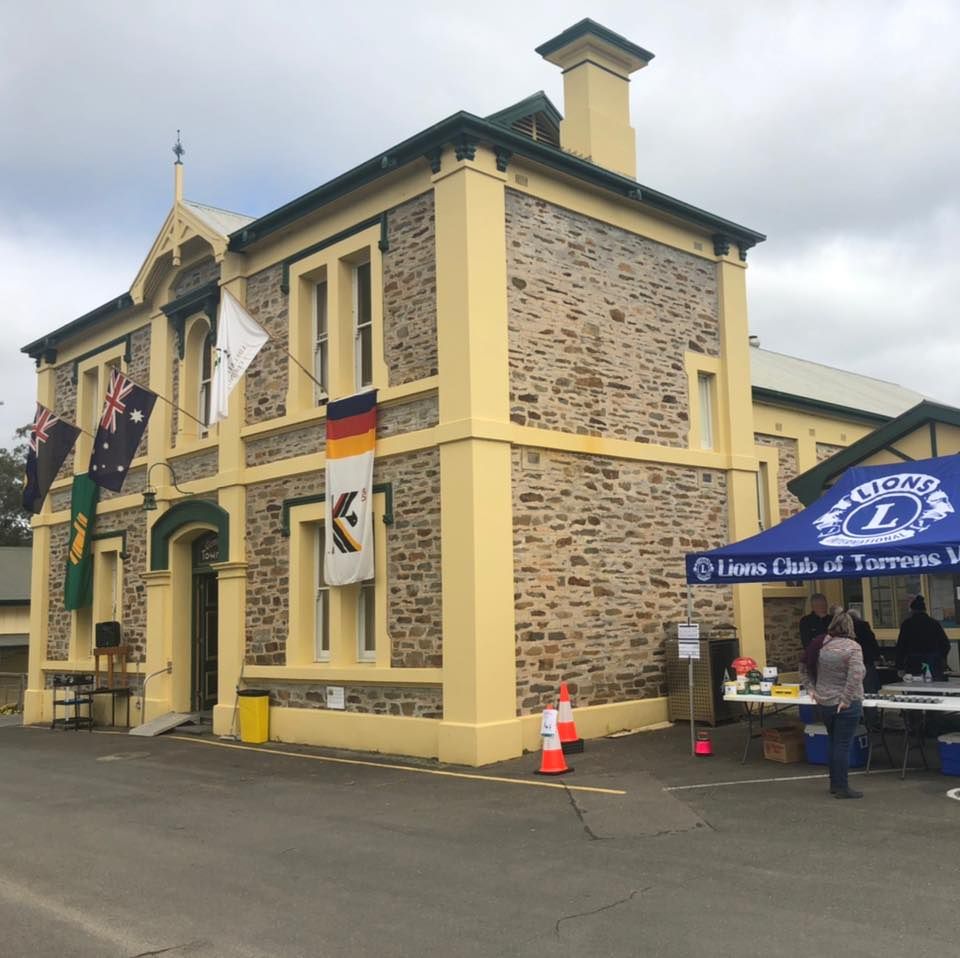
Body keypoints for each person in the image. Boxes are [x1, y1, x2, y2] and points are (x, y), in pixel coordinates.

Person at [801, 611, 866, 799]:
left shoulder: (820, 645)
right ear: (850, 627)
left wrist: (811, 688)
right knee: (843, 745)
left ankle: (834, 784)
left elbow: (803, 666)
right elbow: (855, 675)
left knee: (833, 742)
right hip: (847, 703)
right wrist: (846, 700)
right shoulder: (853, 647)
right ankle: (843, 787)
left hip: (825, 701)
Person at [895, 595, 950, 679]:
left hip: (913, 664)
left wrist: (900, 666)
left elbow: (901, 647)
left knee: (915, 689)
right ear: (925, 610)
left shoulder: (907, 624)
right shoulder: (934, 623)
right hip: (933, 664)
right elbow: (945, 644)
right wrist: (940, 658)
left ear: (912, 610)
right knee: (935, 688)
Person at [848, 608, 882, 693]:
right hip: (866, 661)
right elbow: (872, 642)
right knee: (870, 689)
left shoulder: (846, 629)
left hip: (851, 663)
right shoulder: (864, 626)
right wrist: (877, 657)